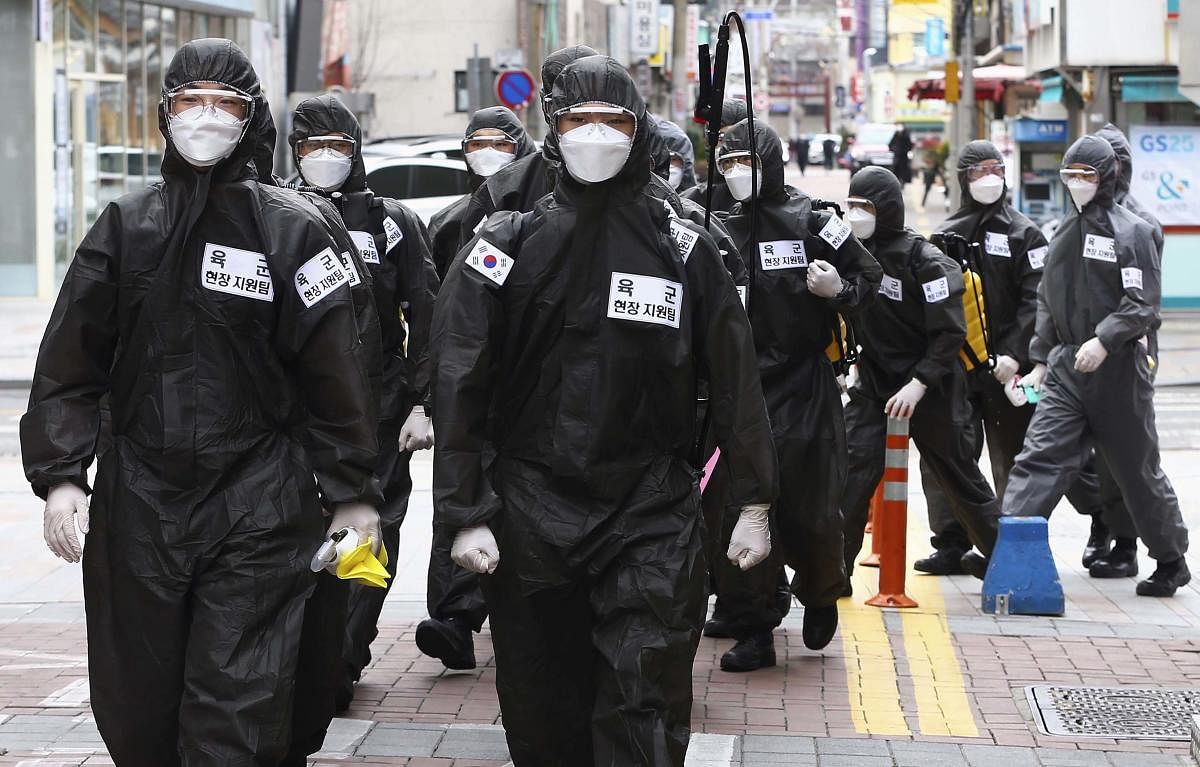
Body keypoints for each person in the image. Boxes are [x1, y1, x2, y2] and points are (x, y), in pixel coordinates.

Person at [22, 38, 384, 764]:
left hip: (258, 504)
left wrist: (352, 493)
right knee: (140, 713)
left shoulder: (294, 231)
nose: (206, 118)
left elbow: (336, 375)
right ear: (165, 113)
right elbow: (70, 360)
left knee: (237, 709)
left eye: (225, 104)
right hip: (141, 507)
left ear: (250, 120)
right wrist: (63, 477)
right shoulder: (127, 228)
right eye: (191, 102)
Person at [430, 55, 779, 766]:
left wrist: (754, 498)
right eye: (578, 120)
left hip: (649, 509)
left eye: (613, 121)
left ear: (639, 129)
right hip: (530, 511)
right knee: (540, 709)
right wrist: (464, 510)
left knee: (643, 700)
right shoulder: (504, 245)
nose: (596, 134)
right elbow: (458, 376)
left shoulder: (684, 248)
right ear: (552, 131)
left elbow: (737, 376)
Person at [413, 46, 599, 672]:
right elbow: (450, 314)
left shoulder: (638, 197)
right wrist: (435, 392)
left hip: (590, 393)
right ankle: (456, 615)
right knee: (467, 487)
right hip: (498, 383)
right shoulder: (491, 204)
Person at [284, 93, 441, 741]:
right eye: (311, 144)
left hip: (378, 404)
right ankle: (296, 649)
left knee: (370, 531)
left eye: (336, 144)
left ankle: (343, 657)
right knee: (296, 534)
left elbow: (429, 313)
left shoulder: (393, 224)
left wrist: (426, 401)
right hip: (294, 409)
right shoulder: (276, 214)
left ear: (356, 147)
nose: (325, 156)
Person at [705, 120, 881, 672]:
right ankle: (755, 622)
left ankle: (822, 589)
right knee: (739, 508)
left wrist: (840, 292)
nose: (735, 172)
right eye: (726, 161)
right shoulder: (712, 226)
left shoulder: (812, 220)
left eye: (745, 161)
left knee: (811, 508)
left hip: (804, 385)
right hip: (738, 390)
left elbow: (869, 281)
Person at [1001, 135, 1190, 596]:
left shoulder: (1135, 232)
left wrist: (1105, 340)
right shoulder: (1063, 231)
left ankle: (1170, 558)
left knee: (1135, 469)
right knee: (1038, 458)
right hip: (1066, 368)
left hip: (1119, 370)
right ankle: (1012, 550)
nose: (1078, 184)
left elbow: (1141, 303)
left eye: (1087, 175)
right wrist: (1042, 361)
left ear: (1106, 176)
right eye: (1071, 176)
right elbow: (1048, 299)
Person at [839, 167, 1001, 586]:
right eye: (852, 205)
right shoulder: (855, 254)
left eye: (866, 206)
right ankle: (832, 574)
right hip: (875, 388)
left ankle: (1007, 562)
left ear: (888, 209)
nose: (857, 214)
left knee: (958, 475)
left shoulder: (927, 262)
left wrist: (920, 381)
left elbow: (950, 332)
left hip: (932, 389)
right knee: (851, 477)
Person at [913, 141, 1049, 575]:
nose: (988, 178)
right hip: (957, 367)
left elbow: (1036, 299)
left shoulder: (1025, 234)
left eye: (995, 168)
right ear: (962, 179)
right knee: (948, 452)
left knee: (1012, 457)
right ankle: (950, 540)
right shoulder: (947, 234)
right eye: (977, 171)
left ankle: (1003, 538)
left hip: (1008, 370)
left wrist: (1013, 354)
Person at [1081, 123, 1167, 579]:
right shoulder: (1083, 218)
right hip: (1080, 357)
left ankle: (1127, 542)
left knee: (1128, 460)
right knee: (1073, 455)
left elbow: (1142, 303)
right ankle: (1103, 523)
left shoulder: (1139, 225)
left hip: (1126, 354)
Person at [428, 106, 538, 278]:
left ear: (521, 148)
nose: (488, 153)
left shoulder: (542, 210)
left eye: (500, 144)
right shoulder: (447, 222)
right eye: (477, 144)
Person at [683, 98, 750, 215]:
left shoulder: (775, 205)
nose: (729, 146)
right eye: (722, 138)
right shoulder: (693, 202)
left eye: (738, 136)